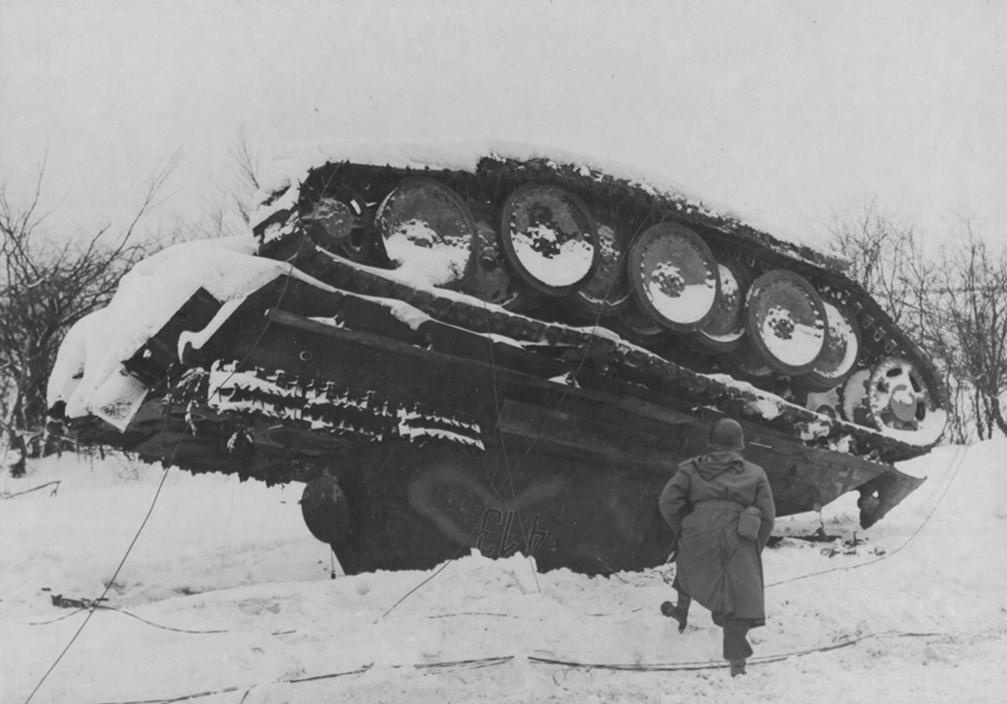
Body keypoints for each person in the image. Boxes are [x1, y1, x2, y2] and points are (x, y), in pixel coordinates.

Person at [658, 417, 776, 677]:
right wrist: (753, 547)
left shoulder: (690, 469)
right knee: (738, 596)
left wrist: (685, 529)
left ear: (711, 443)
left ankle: (680, 612)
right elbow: (767, 517)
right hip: (739, 536)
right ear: (739, 445)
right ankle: (737, 665)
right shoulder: (756, 473)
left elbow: (668, 502)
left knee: (689, 567)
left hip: (698, 530)